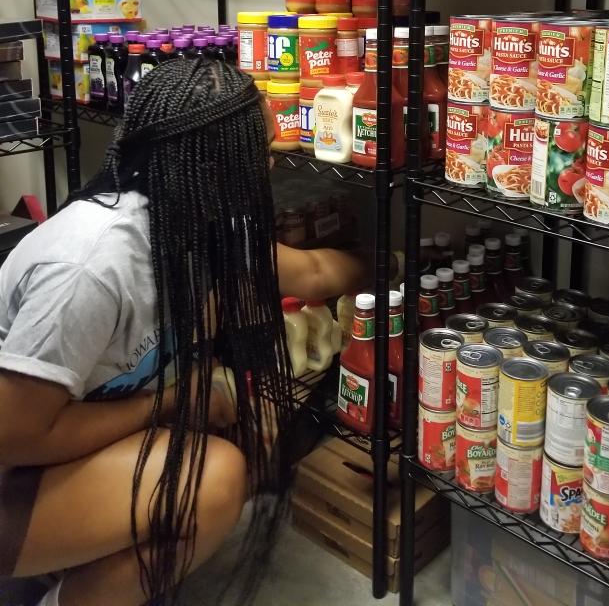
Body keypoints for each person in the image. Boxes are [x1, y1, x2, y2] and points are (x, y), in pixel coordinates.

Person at [0, 59, 369, 606]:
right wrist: (174, 403)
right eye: (259, 152)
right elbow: (16, 435)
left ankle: (70, 557)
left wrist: (393, 269)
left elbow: (314, 273)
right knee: (213, 479)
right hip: (12, 462)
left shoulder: (200, 221)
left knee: (242, 426)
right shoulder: (92, 267)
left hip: (57, 447)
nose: (269, 164)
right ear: (214, 165)